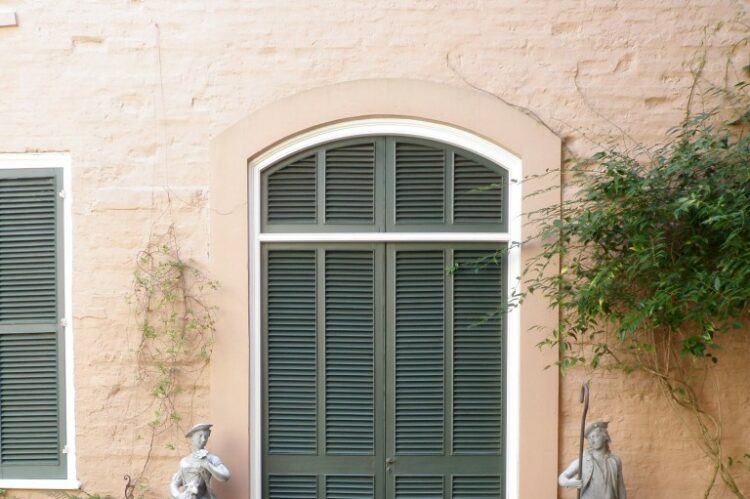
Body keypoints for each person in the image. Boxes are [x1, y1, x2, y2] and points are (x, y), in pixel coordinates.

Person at [558, 421, 627, 499]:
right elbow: (562, 477)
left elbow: (621, 488)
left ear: (605, 436)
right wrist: (570, 482)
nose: (592, 440)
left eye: (595, 436)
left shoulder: (615, 461)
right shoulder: (583, 461)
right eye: (590, 438)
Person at [170, 423, 231, 499]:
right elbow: (174, 483)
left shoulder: (211, 458)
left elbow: (225, 475)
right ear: (192, 438)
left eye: (206, 437)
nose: (203, 440)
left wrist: (206, 464)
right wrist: (179, 495)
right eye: (200, 436)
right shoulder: (184, 461)